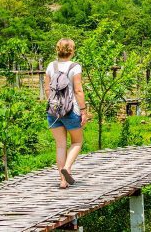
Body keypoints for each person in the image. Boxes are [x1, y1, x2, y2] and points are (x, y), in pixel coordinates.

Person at [44, 38, 88, 189]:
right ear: (72, 51)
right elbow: (78, 90)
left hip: (53, 111)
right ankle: (67, 168)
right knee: (77, 142)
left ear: (57, 50)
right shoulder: (75, 67)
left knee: (60, 145)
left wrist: (55, 106)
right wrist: (83, 111)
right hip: (71, 110)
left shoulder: (51, 66)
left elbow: (47, 90)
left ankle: (62, 181)